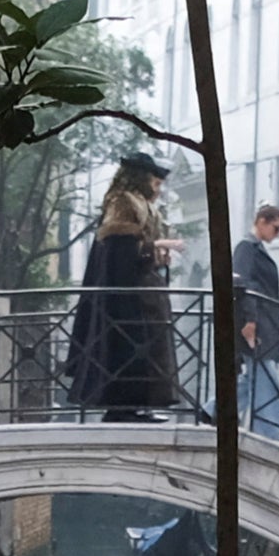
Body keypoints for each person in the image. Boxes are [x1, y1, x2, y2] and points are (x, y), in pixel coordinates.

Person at [64, 162, 178, 418]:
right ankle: (123, 407)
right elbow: (122, 249)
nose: (158, 190)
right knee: (127, 347)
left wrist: (158, 255)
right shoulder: (123, 204)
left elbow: (141, 249)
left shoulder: (142, 204)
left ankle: (139, 405)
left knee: (145, 348)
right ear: (141, 178)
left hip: (143, 292)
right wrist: (156, 246)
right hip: (125, 296)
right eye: (155, 183)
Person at [233, 202, 279, 436]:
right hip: (257, 324)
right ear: (261, 222)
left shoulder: (255, 249)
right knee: (267, 378)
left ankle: (213, 411)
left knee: (254, 378)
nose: (277, 235)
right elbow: (242, 285)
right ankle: (269, 433)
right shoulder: (247, 248)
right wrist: (250, 321)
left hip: (265, 323)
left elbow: (266, 293)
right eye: (275, 229)